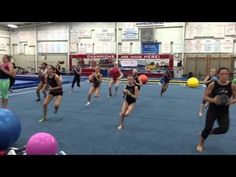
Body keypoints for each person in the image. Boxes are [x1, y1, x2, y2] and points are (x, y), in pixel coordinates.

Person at [196, 67, 236, 152]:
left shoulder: (232, 85)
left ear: (228, 75)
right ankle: (201, 144)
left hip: (224, 111)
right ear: (218, 75)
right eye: (222, 74)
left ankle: (209, 132)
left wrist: (230, 102)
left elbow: (235, 98)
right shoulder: (213, 84)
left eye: (226, 74)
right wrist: (213, 100)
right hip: (213, 109)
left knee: (224, 129)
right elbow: (205, 96)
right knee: (207, 128)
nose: (224, 76)